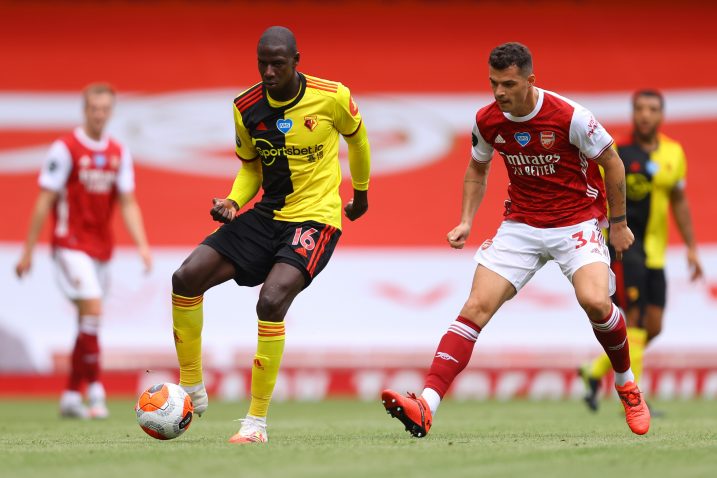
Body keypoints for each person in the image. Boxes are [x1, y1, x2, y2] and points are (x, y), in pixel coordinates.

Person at [381, 42, 651, 437]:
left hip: (576, 221)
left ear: (530, 81)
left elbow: (612, 161)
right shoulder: (488, 120)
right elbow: (477, 168)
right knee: (475, 307)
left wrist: (620, 222)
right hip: (521, 224)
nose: (500, 92)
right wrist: (466, 221)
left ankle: (626, 384)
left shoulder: (571, 116)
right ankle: (426, 404)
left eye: (508, 84)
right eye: (493, 83)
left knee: (595, 301)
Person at [170, 26, 370, 444]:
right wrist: (232, 201)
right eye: (262, 62)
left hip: (315, 218)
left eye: (277, 63)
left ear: (296, 60)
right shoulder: (246, 107)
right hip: (268, 215)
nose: (268, 71)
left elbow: (359, 139)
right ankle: (191, 386)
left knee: (272, 300)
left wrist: (362, 194)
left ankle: (255, 423)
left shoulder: (331, 96)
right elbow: (250, 167)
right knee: (185, 278)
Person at [15, 83, 152, 419]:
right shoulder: (66, 149)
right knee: (91, 308)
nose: (99, 114)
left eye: (105, 109)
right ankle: (95, 391)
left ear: (112, 111)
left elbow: (128, 202)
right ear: (85, 110)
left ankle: (70, 396)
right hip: (70, 244)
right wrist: (28, 251)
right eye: (94, 108)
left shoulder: (120, 152)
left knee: (86, 323)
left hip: (101, 248)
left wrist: (142, 245)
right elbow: (45, 199)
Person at [580, 90, 704, 411]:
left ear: (661, 115)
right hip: (623, 246)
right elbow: (592, 190)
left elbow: (679, 201)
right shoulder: (615, 151)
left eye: (652, 109)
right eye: (640, 109)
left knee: (653, 326)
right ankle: (637, 398)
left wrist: (691, 247)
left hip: (656, 253)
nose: (645, 115)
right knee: (633, 320)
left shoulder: (673, 153)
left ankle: (594, 371)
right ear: (633, 113)